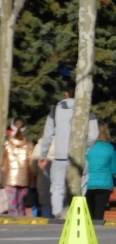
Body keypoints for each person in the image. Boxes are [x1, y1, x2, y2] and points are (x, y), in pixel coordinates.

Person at [38, 86, 99, 218]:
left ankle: (58, 215)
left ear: (66, 93)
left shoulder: (55, 110)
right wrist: (84, 147)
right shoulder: (88, 111)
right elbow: (94, 135)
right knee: (80, 187)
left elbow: (47, 135)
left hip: (59, 157)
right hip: (79, 157)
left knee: (57, 188)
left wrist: (43, 155)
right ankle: (76, 215)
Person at [85, 122, 116, 220]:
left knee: (87, 214)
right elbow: (114, 170)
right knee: (99, 215)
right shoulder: (109, 148)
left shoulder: (85, 147)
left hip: (87, 184)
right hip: (105, 185)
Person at [2, 117, 35, 216]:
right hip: (24, 178)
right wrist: (32, 178)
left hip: (9, 177)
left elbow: (3, 160)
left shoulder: (6, 142)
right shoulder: (29, 143)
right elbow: (31, 162)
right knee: (21, 203)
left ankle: (12, 218)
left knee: (11, 202)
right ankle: (20, 217)